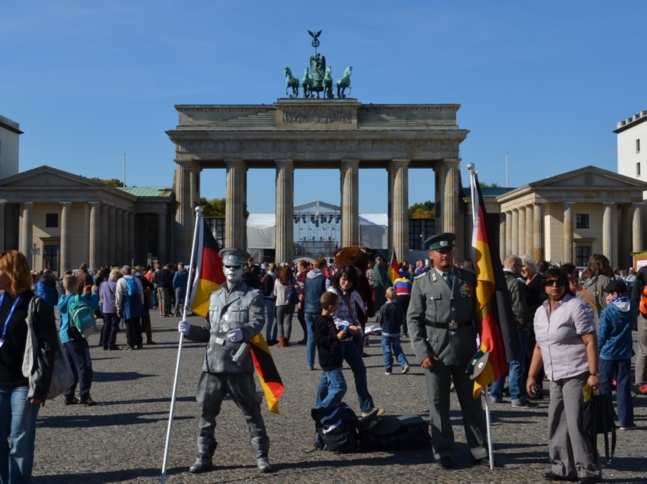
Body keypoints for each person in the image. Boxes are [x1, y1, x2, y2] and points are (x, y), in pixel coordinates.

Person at [177, 248, 272, 474]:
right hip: (212, 364)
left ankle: (261, 456)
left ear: (243, 269)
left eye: (236, 267)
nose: (232, 271)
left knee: (251, 412)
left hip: (238, 364)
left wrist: (244, 332)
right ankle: (203, 456)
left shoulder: (253, 296)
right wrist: (190, 331)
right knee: (206, 413)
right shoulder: (214, 296)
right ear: (222, 269)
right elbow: (210, 332)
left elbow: (258, 322)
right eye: (228, 267)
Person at [407, 233, 490, 468]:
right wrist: (422, 353)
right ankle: (443, 451)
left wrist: (483, 348)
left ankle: (479, 449)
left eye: (449, 251)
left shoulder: (469, 279)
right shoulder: (421, 282)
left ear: (454, 252)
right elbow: (413, 320)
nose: (445, 255)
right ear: (431, 255)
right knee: (439, 405)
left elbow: (481, 315)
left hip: (465, 351)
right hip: (436, 352)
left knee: (472, 404)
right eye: (440, 252)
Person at [526, 268, 601, 483]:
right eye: (550, 282)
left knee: (577, 423)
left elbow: (590, 342)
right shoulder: (540, 311)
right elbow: (539, 347)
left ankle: (588, 470)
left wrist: (594, 373)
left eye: (559, 282)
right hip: (554, 374)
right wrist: (532, 376)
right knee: (556, 422)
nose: (554, 286)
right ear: (544, 287)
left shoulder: (576, 307)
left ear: (566, 284)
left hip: (577, 372)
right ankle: (563, 468)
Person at [0, 250, 58, 484]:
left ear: (13, 273)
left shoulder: (36, 305)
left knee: (21, 442)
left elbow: (48, 347)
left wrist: (40, 388)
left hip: (24, 384)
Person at [328, 265, 383, 417]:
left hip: (350, 339)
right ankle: (323, 409)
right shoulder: (332, 293)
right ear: (338, 278)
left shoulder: (352, 293)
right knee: (328, 379)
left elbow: (352, 314)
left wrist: (358, 325)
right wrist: (347, 326)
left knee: (360, 370)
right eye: (344, 280)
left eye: (350, 281)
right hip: (337, 338)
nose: (346, 283)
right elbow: (332, 316)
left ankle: (367, 407)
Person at [490, 255, 534, 407]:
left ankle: (495, 393)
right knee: (516, 360)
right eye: (520, 266)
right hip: (515, 326)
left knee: (501, 359)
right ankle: (516, 395)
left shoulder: (494, 280)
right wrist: (525, 324)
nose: (522, 269)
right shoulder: (515, 282)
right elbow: (519, 308)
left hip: (497, 326)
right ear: (514, 265)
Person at [598, 279, 637, 430]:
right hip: (624, 351)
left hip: (607, 352)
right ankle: (626, 420)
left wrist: (598, 349)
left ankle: (608, 416)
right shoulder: (633, 307)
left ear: (614, 294)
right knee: (624, 386)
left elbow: (602, 334)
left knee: (605, 386)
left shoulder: (608, 311)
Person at [58, 275, 99, 406]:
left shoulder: (62, 300)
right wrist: (94, 292)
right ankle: (84, 395)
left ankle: (68, 395)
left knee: (70, 368)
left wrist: (83, 293)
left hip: (64, 336)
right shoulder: (78, 298)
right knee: (84, 366)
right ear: (76, 286)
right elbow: (93, 305)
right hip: (76, 336)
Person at [314, 291, 348, 408]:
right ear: (330, 307)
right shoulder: (322, 321)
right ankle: (322, 409)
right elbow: (319, 340)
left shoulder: (329, 319)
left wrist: (345, 333)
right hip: (329, 359)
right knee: (340, 387)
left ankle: (320, 408)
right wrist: (336, 337)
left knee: (324, 388)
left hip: (333, 358)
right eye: (338, 304)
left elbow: (333, 335)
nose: (339, 306)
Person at [521, 255, 545, 399]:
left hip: (536, 322)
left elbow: (535, 298)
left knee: (535, 356)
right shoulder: (526, 280)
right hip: (527, 322)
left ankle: (537, 386)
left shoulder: (539, 280)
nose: (522, 269)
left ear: (531, 265)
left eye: (524, 266)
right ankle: (526, 384)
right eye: (520, 266)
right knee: (526, 358)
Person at [303, 258, 329, 370]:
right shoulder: (324, 278)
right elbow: (328, 295)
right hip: (319, 311)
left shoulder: (306, 278)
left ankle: (310, 362)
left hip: (308, 309)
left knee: (311, 337)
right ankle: (325, 361)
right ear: (323, 266)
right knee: (323, 337)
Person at [379, 287, 409, 375]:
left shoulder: (384, 307)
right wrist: (399, 325)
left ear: (386, 296)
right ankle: (404, 364)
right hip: (396, 331)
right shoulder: (399, 306)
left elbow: (381, 319)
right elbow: (402, 317)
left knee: (387, 350)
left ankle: (388, 368)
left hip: (386, 331)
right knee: (398, 349)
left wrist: (382, 326)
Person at [579, 254, 614, 325]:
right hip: (599, 320)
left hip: (583, 320)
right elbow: (610, 303)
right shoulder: (605, 280)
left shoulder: (581, 281)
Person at [116, 266, 144, 350]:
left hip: (127, 302)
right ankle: (139, 342)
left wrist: (118, 307)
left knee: (128, 324)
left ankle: (130, 343)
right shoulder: (137, 279)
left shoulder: (121, 280)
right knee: (137, 323)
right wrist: (141, 303)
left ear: (123, 272)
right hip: (137, 302)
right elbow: (141, 291)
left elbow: (118, 295)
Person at [630, 263, 647, 386]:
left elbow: (635, 294)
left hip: (644, 314)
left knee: (643, 349)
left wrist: (634, 315)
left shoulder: (643, 271)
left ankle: (639, 381)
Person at [273, 266, 297, 347]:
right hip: (290, 303)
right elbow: (301, 285)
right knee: (288, 322)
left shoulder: (277, 281)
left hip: (280, 303)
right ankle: (287, 340)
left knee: (280, 323)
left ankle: (281, 340)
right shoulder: (292, 281)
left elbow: (275, 293)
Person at [99, 268, 121, 351]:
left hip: (105, 307)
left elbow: (101, 295)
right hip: (114, 307)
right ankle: (111, 344)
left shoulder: (104, 284)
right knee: (114, 326)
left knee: (106, 326)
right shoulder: (117, 284)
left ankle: (104, 343)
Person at [261, 263, 278, 344]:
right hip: (269, 299)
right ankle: (268, 338)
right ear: (275, 270)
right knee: (271, 320)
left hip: (271, 299)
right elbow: (267, 290)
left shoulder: (271, 276)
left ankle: (273, 337)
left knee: (277, 319)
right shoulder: (269, 276)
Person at [392, 273, 412, 337]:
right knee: (406, 314)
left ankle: (397, 330)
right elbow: (412, 291)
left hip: (399, 297)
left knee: (398, 314)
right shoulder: (409, 281)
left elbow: (393, 290)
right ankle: (405, 332)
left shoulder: (396, 280)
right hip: (407, 297)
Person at [295, 260, 309, 344]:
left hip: (303, 299)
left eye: (298, 266)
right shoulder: (302, 274)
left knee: (302, 317)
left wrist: (300, 301)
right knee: (302, 317)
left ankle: (307, 335)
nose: (297, 268)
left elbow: (303, 289)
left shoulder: (304, 275)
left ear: (302, 266)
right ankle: (307, 335)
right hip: (304, 298)